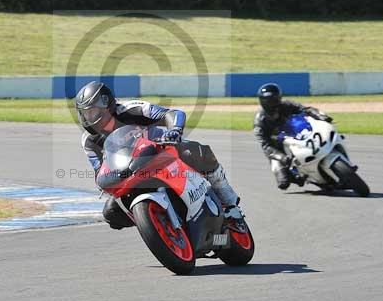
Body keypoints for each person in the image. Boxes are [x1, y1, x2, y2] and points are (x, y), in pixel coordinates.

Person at [74, 80, 243, 229]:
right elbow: (99, 171)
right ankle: (156, 221)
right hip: (130, 173)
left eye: (93, 111)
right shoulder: (89, 141)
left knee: (198, 151)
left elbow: (171, 114)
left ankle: (230, 204)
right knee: (110, 213)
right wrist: (107, 180)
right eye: (85, 114)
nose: (90, 118)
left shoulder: (131, 109)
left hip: (161, 152)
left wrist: (174, 130)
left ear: (106, 102)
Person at [253, 83, 333, 190]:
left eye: (274, 99)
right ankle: (306, 177)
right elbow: (266, 146)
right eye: (268, 100)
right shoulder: (259, 121)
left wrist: (321, 116)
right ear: (262, 101)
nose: (271, 103)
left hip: (298, 134)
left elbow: (306, 110)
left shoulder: (287, 105)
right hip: (278, 148)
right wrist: (282, 157)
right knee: (283, 182)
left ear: (279, 97)